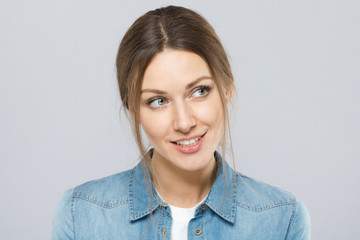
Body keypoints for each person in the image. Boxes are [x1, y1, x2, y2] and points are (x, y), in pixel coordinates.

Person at [52, 5, 311, 240]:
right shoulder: (81, 214)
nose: (184, 122)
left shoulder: (282, 219)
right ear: (133, 109)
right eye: (158, 101)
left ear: (227, 89)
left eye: (199, 91)